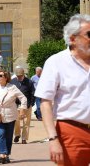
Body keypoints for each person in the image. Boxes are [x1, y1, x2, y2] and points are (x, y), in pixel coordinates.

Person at [35, 14, 90, 166]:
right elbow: (45, 102)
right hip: (72, 132)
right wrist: (53, 139)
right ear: (73, 38)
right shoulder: (56, 62)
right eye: (89, 34)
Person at [0, 70, 27, 164]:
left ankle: (7, 156)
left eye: (1, 76)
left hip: (10, 114)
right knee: (0, 134)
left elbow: (23, 98)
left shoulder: (12, 87)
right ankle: (2, 155)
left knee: (9, 136)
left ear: (6, 77)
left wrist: (22, 108)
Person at [10, 66, 35, 144]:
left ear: (23, 74)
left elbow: (33, 93)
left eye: (20, 76)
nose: (19, 77)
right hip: (15, 105)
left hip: (27, 105)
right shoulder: (12, 81)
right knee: (16, 121)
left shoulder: (29, 82)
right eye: (18, 76)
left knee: (26, 122)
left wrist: (31, 104)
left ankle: (24, 138)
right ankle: (17, 134)